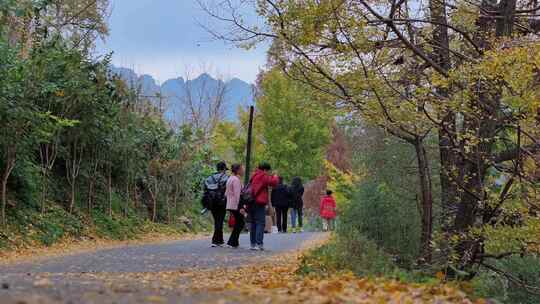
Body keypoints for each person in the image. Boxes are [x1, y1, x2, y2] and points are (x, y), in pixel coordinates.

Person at [248, 162, 279, 250]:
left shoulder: (254, 175)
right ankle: (259, 244)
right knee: (260, 223)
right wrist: (275, 176)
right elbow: (273, 183)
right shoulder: (263, 175)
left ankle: (253, 244)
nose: (269, 173)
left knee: (253, 223)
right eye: (269, 171)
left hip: (251, 201)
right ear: (265, 170)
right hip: (259, 202)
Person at [202, 161, 229, 247]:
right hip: (222, 202)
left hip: (212, 202)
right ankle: (215, 240)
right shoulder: (226, 178)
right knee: (219, 221)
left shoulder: (210, 177)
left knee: (217, 220)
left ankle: (219, 240)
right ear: (224, 169)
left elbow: (205, 189)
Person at [225, 164, 245, 248]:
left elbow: (226, 193)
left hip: (230, 203)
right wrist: (241, 207)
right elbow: (238, 195)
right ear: (238, 170)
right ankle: (232, 242)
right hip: (236, 204)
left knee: (238, 222)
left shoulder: (230, 178)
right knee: (240, 223)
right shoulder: (236, 180)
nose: (243, 170)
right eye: (242, 169)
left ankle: (234, 242)